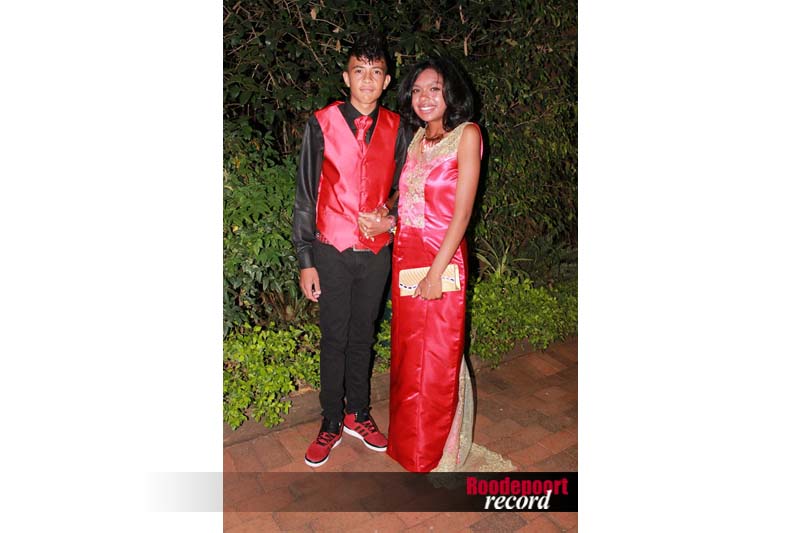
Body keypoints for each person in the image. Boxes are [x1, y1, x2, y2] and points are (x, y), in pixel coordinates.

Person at [292, 33, 408, 468]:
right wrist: (306, 259)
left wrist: (390, 215)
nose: (367, 79)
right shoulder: (321, 123)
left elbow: (405, 188)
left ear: (386, 81)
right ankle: (330, 420)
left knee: (363, 334)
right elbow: (306, 194)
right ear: (346, 77)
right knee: (334, 337)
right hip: (332, 249)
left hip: (375, 252)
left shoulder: (398, 127)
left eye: (376, 72)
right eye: (359, 70)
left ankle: (358, 413)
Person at [385, 56, 482, 473]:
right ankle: (410, 445)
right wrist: (386, 215)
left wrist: (435, 273)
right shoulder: (416, 138)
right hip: (406, 254)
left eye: (434, 89)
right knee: (409, 353)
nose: (424, 97)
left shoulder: (467, 135)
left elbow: (462, 214)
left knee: (439, 355)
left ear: (450, 93)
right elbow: (405, 197)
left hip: (442, 258)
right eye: (418, 90)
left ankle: (440, 451)